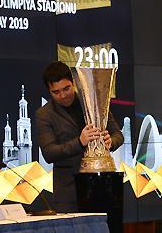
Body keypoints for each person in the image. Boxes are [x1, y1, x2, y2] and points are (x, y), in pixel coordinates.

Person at [36, 61, 123, 212]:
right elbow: (49, 153)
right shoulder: (44, 114)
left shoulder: (93, 101)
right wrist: (80, 142)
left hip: (103, 184)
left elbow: (118, 135)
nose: (63, 96)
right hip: (69, 193)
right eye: (56, 92)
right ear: (49, 91)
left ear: (74, 82)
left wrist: (111, 142)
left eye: (66, 88)